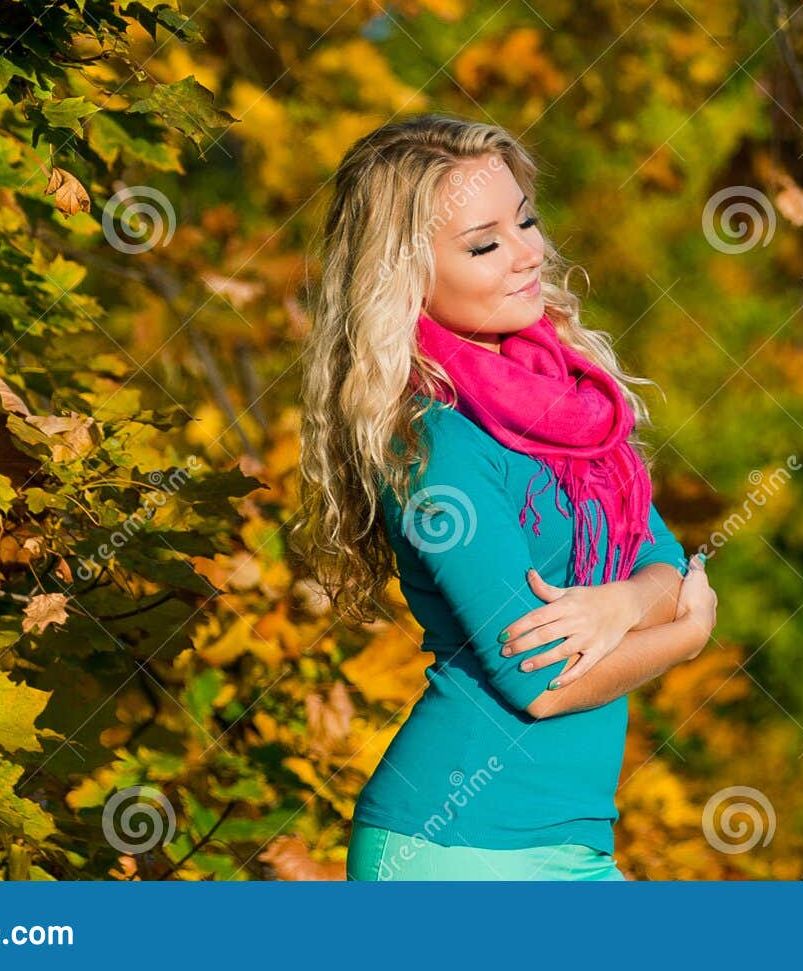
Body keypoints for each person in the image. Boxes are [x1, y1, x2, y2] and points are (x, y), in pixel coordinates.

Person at [289, 114, 717, 880]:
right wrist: (685, 637)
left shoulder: (570, 405)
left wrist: (618, 605)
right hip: (455, 851)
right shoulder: (429, 444)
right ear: (405, 275)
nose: (530, 255)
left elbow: (669, 567)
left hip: (572, 845)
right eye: (484, 244)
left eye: (526, 221)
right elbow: (542, 682)